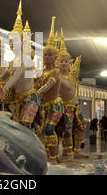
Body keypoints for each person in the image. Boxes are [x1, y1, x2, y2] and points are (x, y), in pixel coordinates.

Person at [1, 2, 40, 130]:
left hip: (30, 97)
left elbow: (16, 76)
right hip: (16, 100)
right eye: (10, 41)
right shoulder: (12, 61)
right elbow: (3, 76)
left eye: (15, 41)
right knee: (16, 128)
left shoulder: (25, 58)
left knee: (24, 126)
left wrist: (5, 88)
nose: (12, 44)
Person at [56, 29, 88, 159]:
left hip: (76, 106)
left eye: (66, 61)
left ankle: (77, 150)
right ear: (57, 63)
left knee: (81, 127)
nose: (64, 63)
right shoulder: (57, 77)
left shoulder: (72, 76)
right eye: (61, 61)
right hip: (64, 107)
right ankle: (67, 151)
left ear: (70, 63)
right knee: (66, 130)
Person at [36, 16, 64, 163]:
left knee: (49, 129)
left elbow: (48, 86)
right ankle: (46, 155)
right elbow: (35, 83)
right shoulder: (40, 71)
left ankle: (54, 157)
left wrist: (36, 92)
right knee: (41, 131)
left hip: (55, 105)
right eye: (45, 54)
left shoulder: (55, 72)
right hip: (43, 106)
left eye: (50, 54)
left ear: (55, 57)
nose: (47, 57)